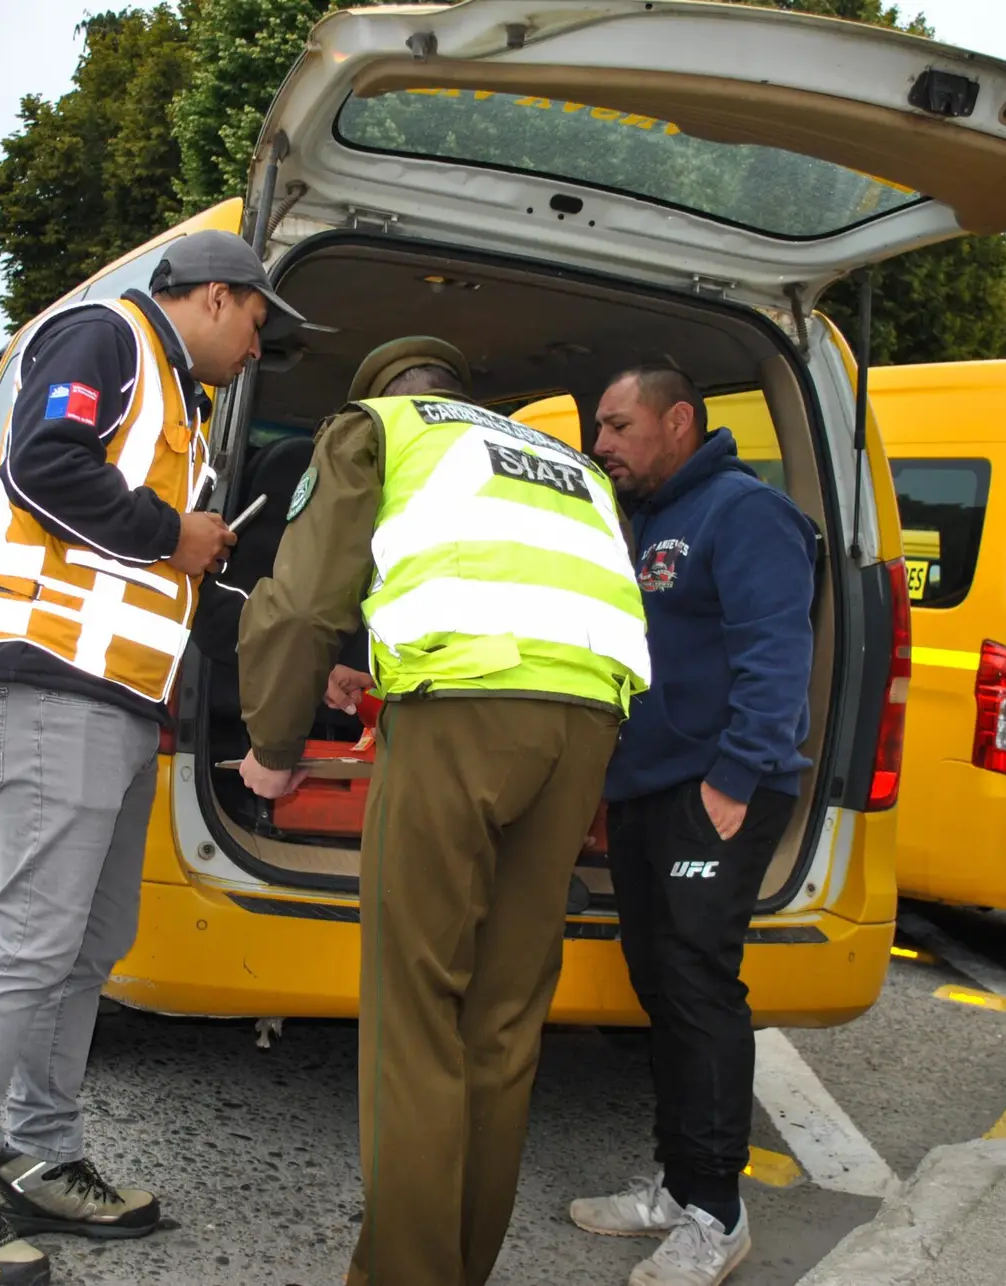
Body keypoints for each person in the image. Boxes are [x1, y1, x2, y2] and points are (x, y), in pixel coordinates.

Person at [0, 229, 305, 1286]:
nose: (258, 348)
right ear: (216, 295)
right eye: (258, 322)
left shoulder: (184, 412)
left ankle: (41, 1153)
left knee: (88, 944)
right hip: (47, 690)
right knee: (27, 946)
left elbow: (176, 594)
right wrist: (174, 531)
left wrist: (311, 669)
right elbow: (42, 464)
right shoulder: (105, 338)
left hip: (111, 708)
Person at [235, 337, 650, 1286]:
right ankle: (460, 1269)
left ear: (381, 393)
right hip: (586, 727)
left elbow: (301, 607)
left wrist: (273, 747)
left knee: (416, 1011)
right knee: (503, 1024)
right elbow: (526, 594)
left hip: (461, 722)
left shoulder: (379, 429)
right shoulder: (566, 463)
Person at [568, 366, 816, 1286]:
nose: (602, 444)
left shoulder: (744, 513)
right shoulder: (648, 519)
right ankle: (679, 1188)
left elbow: (777, 651)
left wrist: (737, 775)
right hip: (650, 788)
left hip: (716, 789)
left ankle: (717, 1211)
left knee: (698, 984)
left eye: (618, 425)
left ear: (678, 421)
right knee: (661, 984)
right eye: (600, 428)